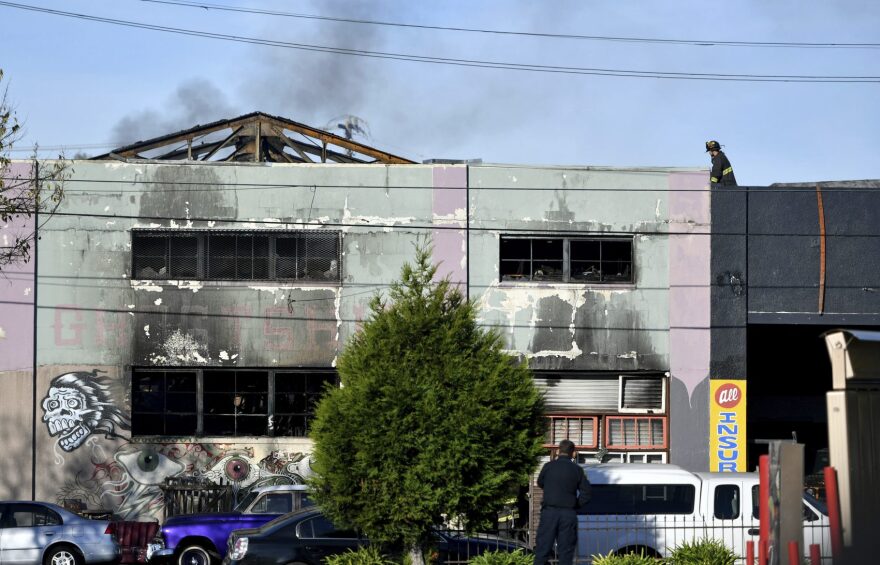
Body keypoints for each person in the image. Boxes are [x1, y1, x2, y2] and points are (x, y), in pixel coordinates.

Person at [533, 439, 591, 565]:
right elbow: (587, 493)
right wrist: (576, 504)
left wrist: (551, 490)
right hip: (568, 513)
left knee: (542, 550)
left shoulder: (548, 466)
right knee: (566, 552)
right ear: (573, 453)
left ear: (559, 451)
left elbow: (540, 482)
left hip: (549, 512)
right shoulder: (577, 470)